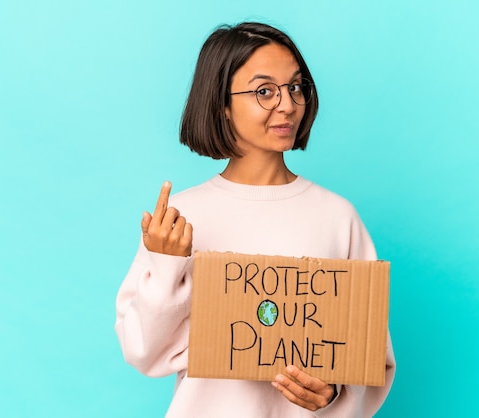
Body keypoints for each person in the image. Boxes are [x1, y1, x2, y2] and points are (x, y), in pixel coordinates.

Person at [115, 22, 395, 417]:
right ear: (220, 104)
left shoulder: (337, 216)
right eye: (264, 91)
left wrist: (334, 396)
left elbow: (371, 358)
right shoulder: (183, 216)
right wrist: (165, 266)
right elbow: (142, 351)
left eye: (295, 87)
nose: (286, 105)